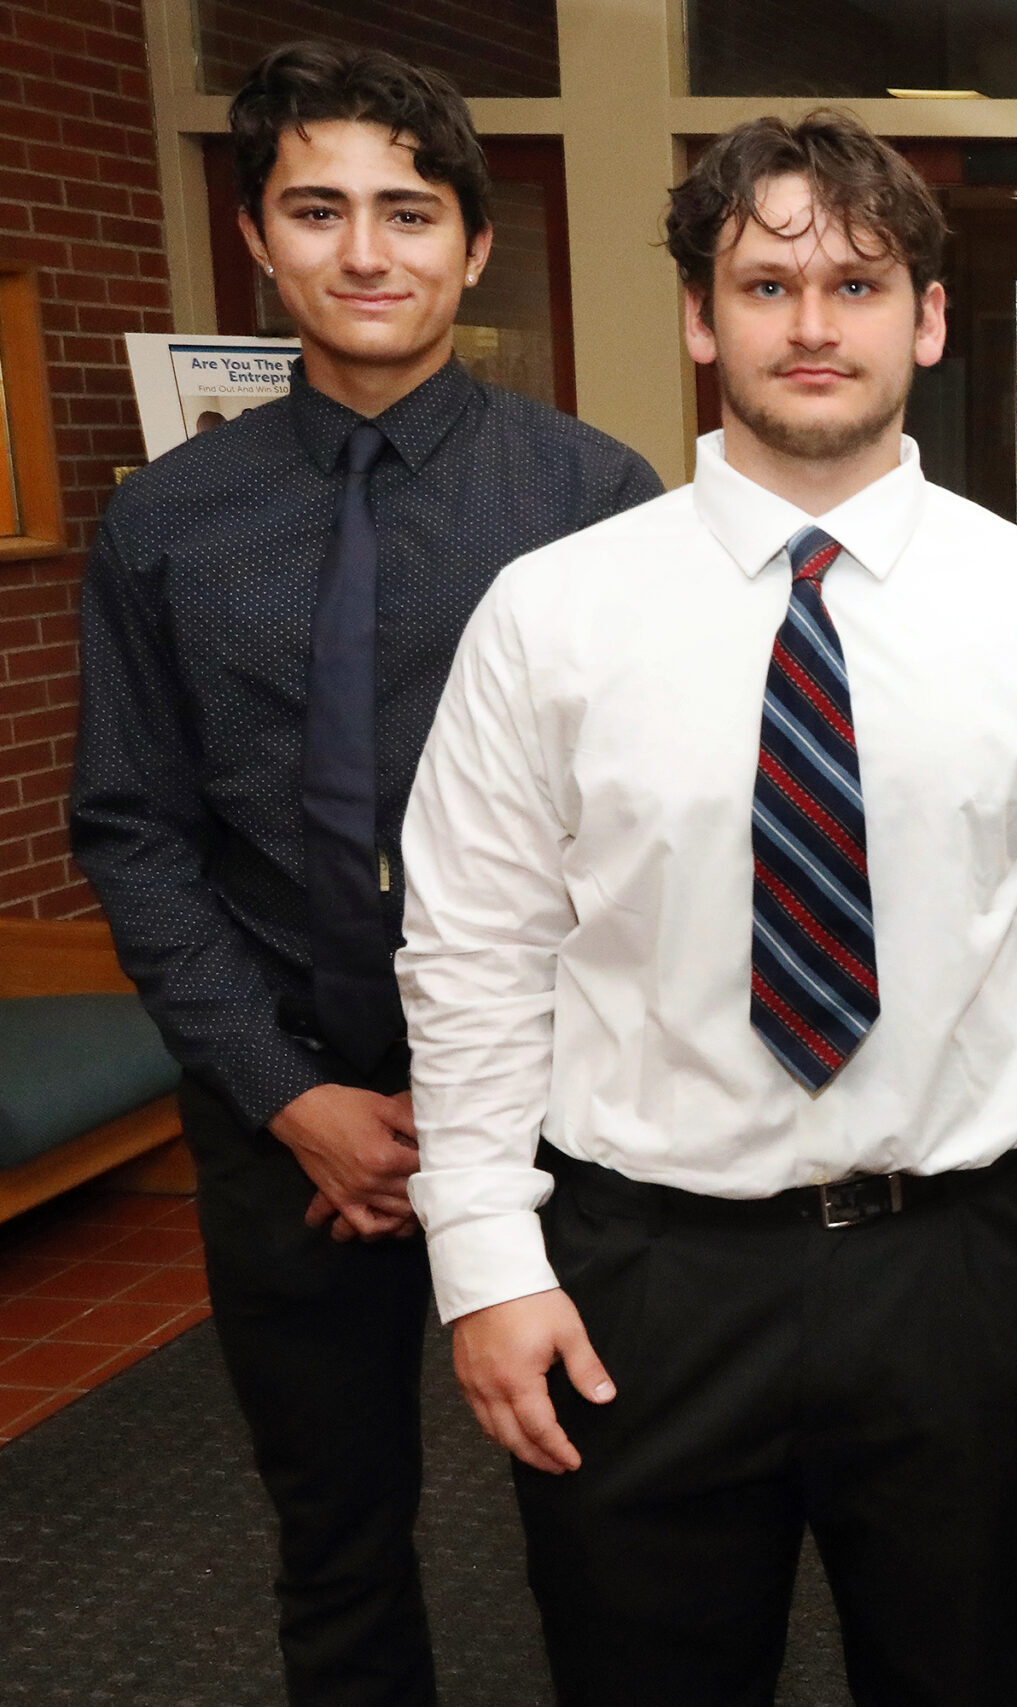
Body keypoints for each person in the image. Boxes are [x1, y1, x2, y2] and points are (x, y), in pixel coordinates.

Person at [397, 110, 1017, 1706]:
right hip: (638, 1280)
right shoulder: (553, 616)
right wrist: (483, 1256)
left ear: (931, 320)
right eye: (766, 286)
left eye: (860, 283)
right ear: (701, 317)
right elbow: (472, 951)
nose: (813, 325)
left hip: (957, 1272)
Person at [70, 43, 661, 1707]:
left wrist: (489, 1116)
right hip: (285, 1119)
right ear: (260, 240)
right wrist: (291, 1097)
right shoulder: (165, 525)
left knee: (596, 1511)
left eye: (410, 212)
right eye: (318, 209)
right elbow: (134, 831)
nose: (367, 250)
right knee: (334, 1537)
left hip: (560, 1123)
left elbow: (647, 837)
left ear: (477, 247)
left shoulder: (596, 504)